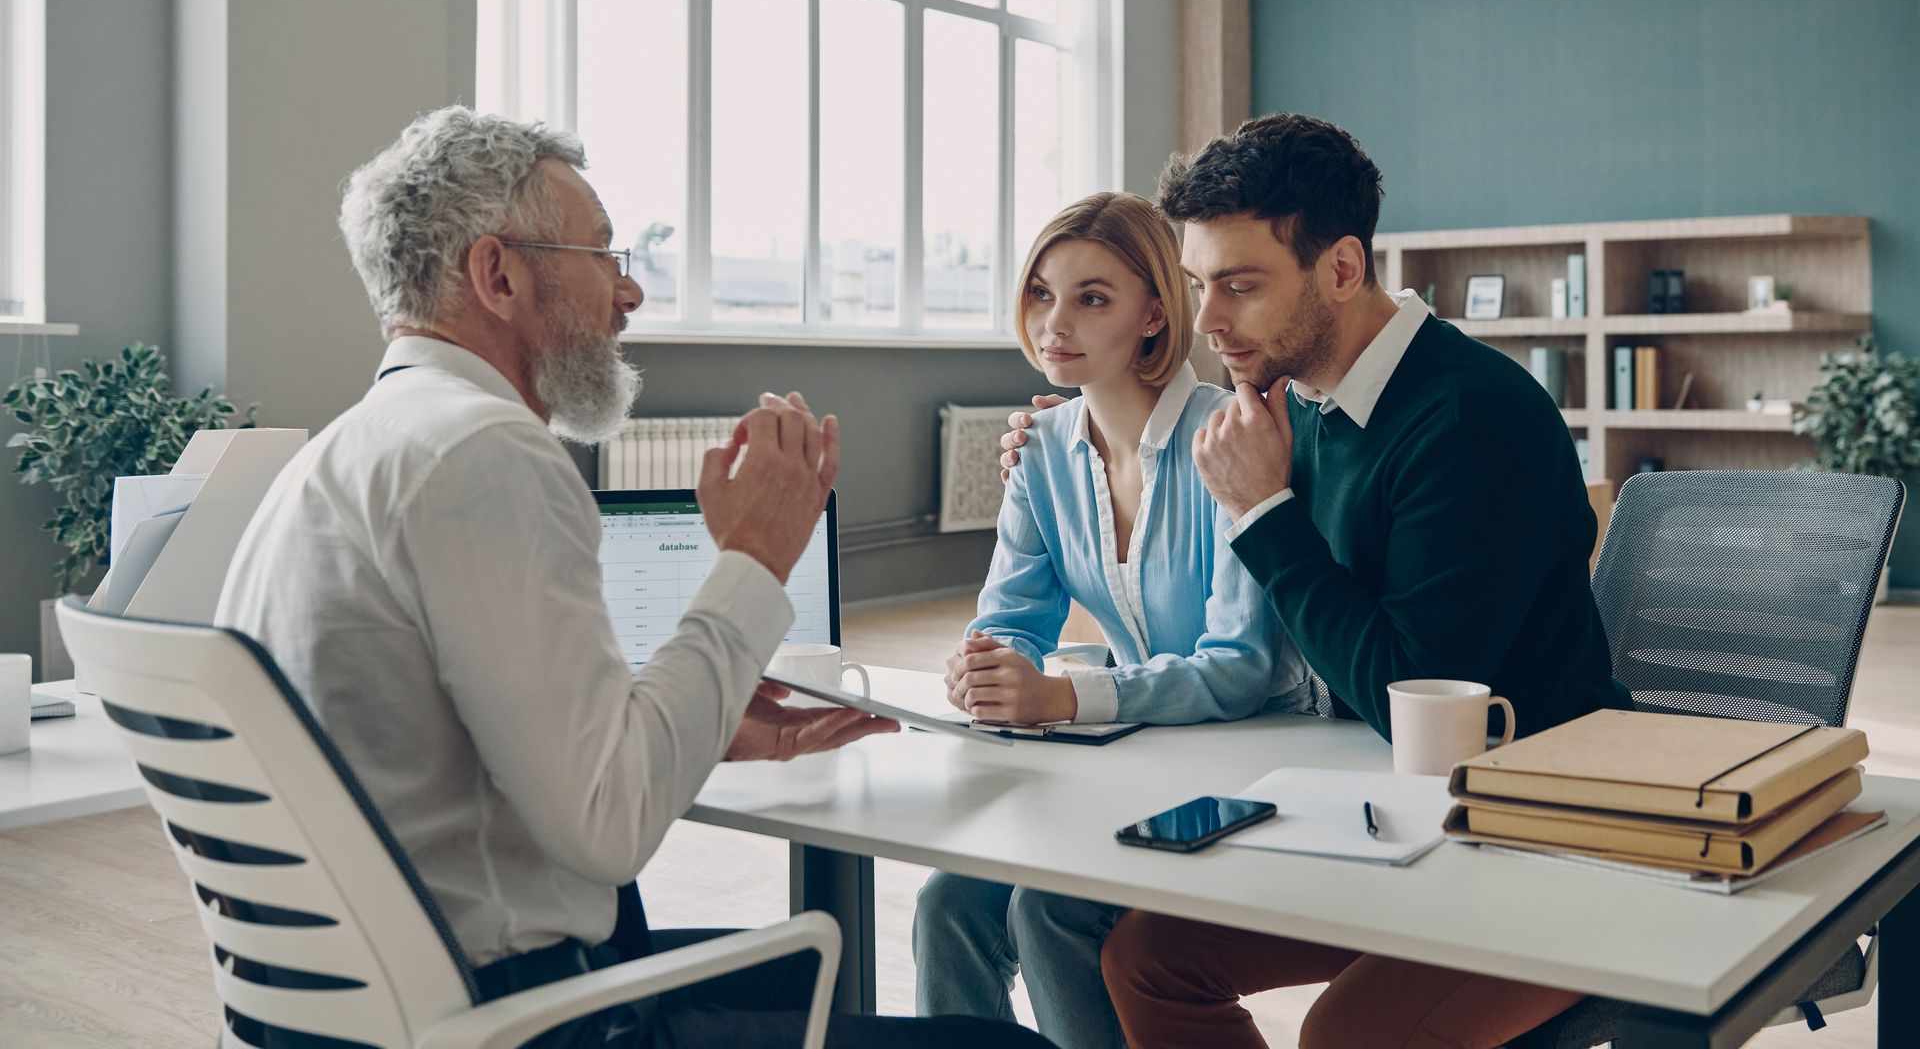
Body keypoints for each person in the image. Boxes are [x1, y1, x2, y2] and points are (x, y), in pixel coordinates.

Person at [215, 107, 1055, 1049]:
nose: (630, 295)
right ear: (498, 273)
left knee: (784, 965)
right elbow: (607, 829)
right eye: (604, 257)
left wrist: (707, 725)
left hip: (354, 1009)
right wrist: (753, 555)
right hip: (509, 1021)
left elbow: (474, 753)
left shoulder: (348, 449)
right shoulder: (484, 452)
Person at [1001, 114, 1631, 1049]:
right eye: (1199, 284)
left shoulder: (1469, 419)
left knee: (1345, 1037)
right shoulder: (1297, 402)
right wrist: (1066, 430)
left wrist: (1264, 514)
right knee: (1144, 963)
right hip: (1382, 806)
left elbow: (1405, 695)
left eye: (1241, 286)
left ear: (1341, 269)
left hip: (1537, 831)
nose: (1207, 321)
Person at [915, 192, 1314, 1049]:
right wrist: (984, 665)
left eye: (1092, 297)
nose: (1055, 321)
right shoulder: (1041, 452)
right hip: (1135, 755)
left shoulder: (1233, 438)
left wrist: (1059, 696)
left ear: (1154, 316)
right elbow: (1012, 616)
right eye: (1041, 294)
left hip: (1254, 761)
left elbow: (1241, 668)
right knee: (947, 902)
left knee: (1044, 910)